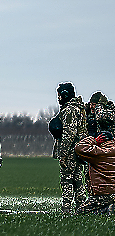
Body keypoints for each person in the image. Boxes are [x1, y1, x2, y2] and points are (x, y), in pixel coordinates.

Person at [52, 82, 88, 213]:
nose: (59, 98)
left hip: (71, 151)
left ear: (65, 94)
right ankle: (81, 207)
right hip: (79, 150)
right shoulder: (80, 108)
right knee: (78, 179)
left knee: (67, 179)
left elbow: (69, 134)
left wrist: (63, 155)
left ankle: (66, 208)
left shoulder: (69, 110)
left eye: (60, 95)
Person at [74, 130, 115, 214]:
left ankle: (107, 210)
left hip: (102, 195)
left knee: (81, 212)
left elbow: (79, 147)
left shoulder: (97, 152)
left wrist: (94, 140)